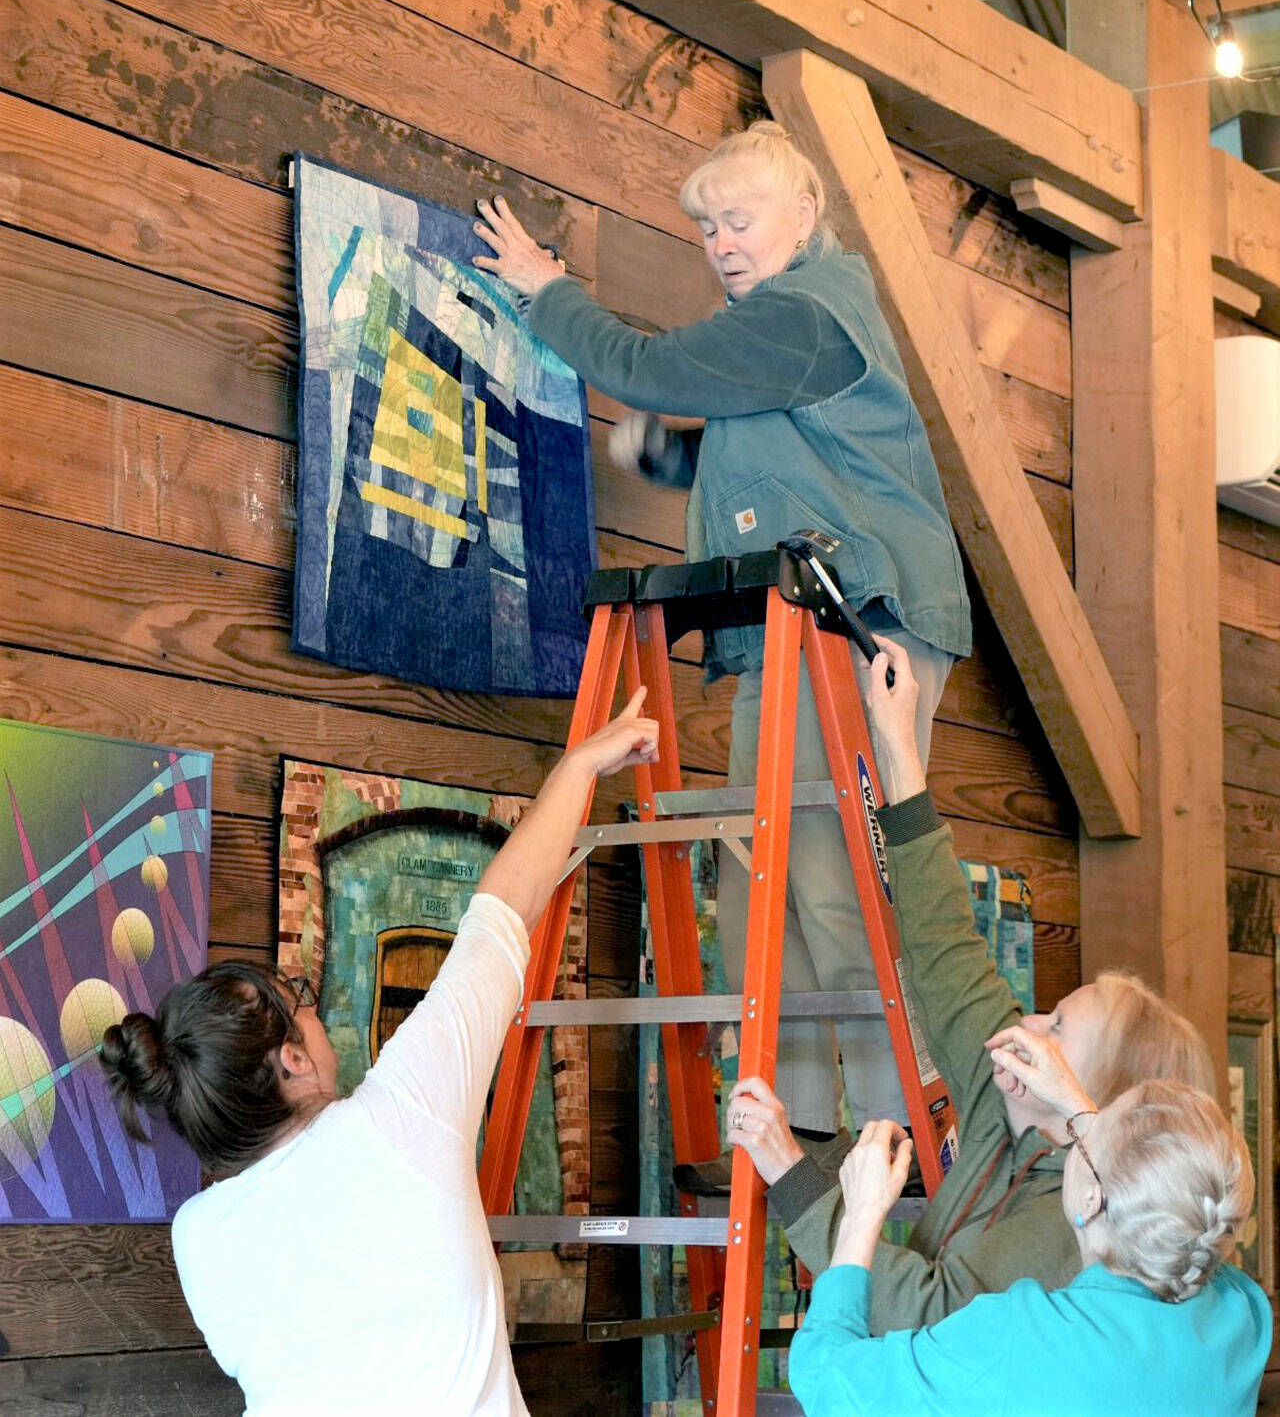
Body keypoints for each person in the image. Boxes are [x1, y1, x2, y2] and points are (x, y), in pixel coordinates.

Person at [473, 120, 972, 1153]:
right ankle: (791, 1136)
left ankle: (894, 1148)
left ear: (804, 216)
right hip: (784, 630)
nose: (720, 243)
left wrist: (545, 287)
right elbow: (776, 448)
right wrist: (674, 458)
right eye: (704, 228)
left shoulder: (809, 311)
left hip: (853, 623)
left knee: (835, 891)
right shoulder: (782, 332)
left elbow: (643, 365)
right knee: (764, 889)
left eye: (737, 219)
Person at [99, 694, 660, 1417]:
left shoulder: (196, 1241)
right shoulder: (401, 1113)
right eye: (301, 999)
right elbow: (501, 913)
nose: (316, 1009)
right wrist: (582, 762)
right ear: (291, 1061)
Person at [722, 638, 1216, 1333]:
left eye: (1058, 1028)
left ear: (1096, 1095)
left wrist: (791, 1170)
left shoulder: (1069, 1218)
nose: (1030, 1021)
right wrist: (898, 749)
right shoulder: (1002, 1093)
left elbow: (926, 1313)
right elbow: (944, 939)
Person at [787, 1074, 1270, 1417]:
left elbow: (823, 1379)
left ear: (1092, 1198)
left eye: (1084, 1136)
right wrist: (1077, 1106)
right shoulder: (1240, 1316)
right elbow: (1178, 1210)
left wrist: (862, 1215)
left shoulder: (1016, 1337)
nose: (1073, 1132)